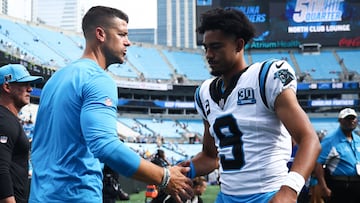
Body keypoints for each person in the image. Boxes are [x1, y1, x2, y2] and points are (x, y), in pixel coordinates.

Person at [29, 6, 193, 203]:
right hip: (75, 195)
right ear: (101, 34)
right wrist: (164, 176)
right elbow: (104, 145)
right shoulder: (98, 79)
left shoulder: (56, 79)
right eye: (122, 34)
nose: (128, 42)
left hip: (40, 196)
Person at [181, 8, 321, 203]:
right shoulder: (204, 93)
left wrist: (290, 190)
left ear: (239, 45)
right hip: (226, 197)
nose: (209, 55)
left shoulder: (266, 76)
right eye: (206, 48)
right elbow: (210, 156)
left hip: (269, 194)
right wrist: (182, 171)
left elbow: (309, 139)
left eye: (216, 47)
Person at [0, 64, 43, 203]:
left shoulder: (8, 118)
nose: (30, 89)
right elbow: (1, 170)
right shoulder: (4, 120)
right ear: (7, 87)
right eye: (24, 84)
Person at [314, 108, 360, 203]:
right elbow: (318, 163)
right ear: (340, 121)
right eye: (347, 119)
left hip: (357, 184)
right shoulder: (330, 140)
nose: (351, 121)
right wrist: (324, 187)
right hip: (340, 185)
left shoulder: (357, 139)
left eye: (353, 118)